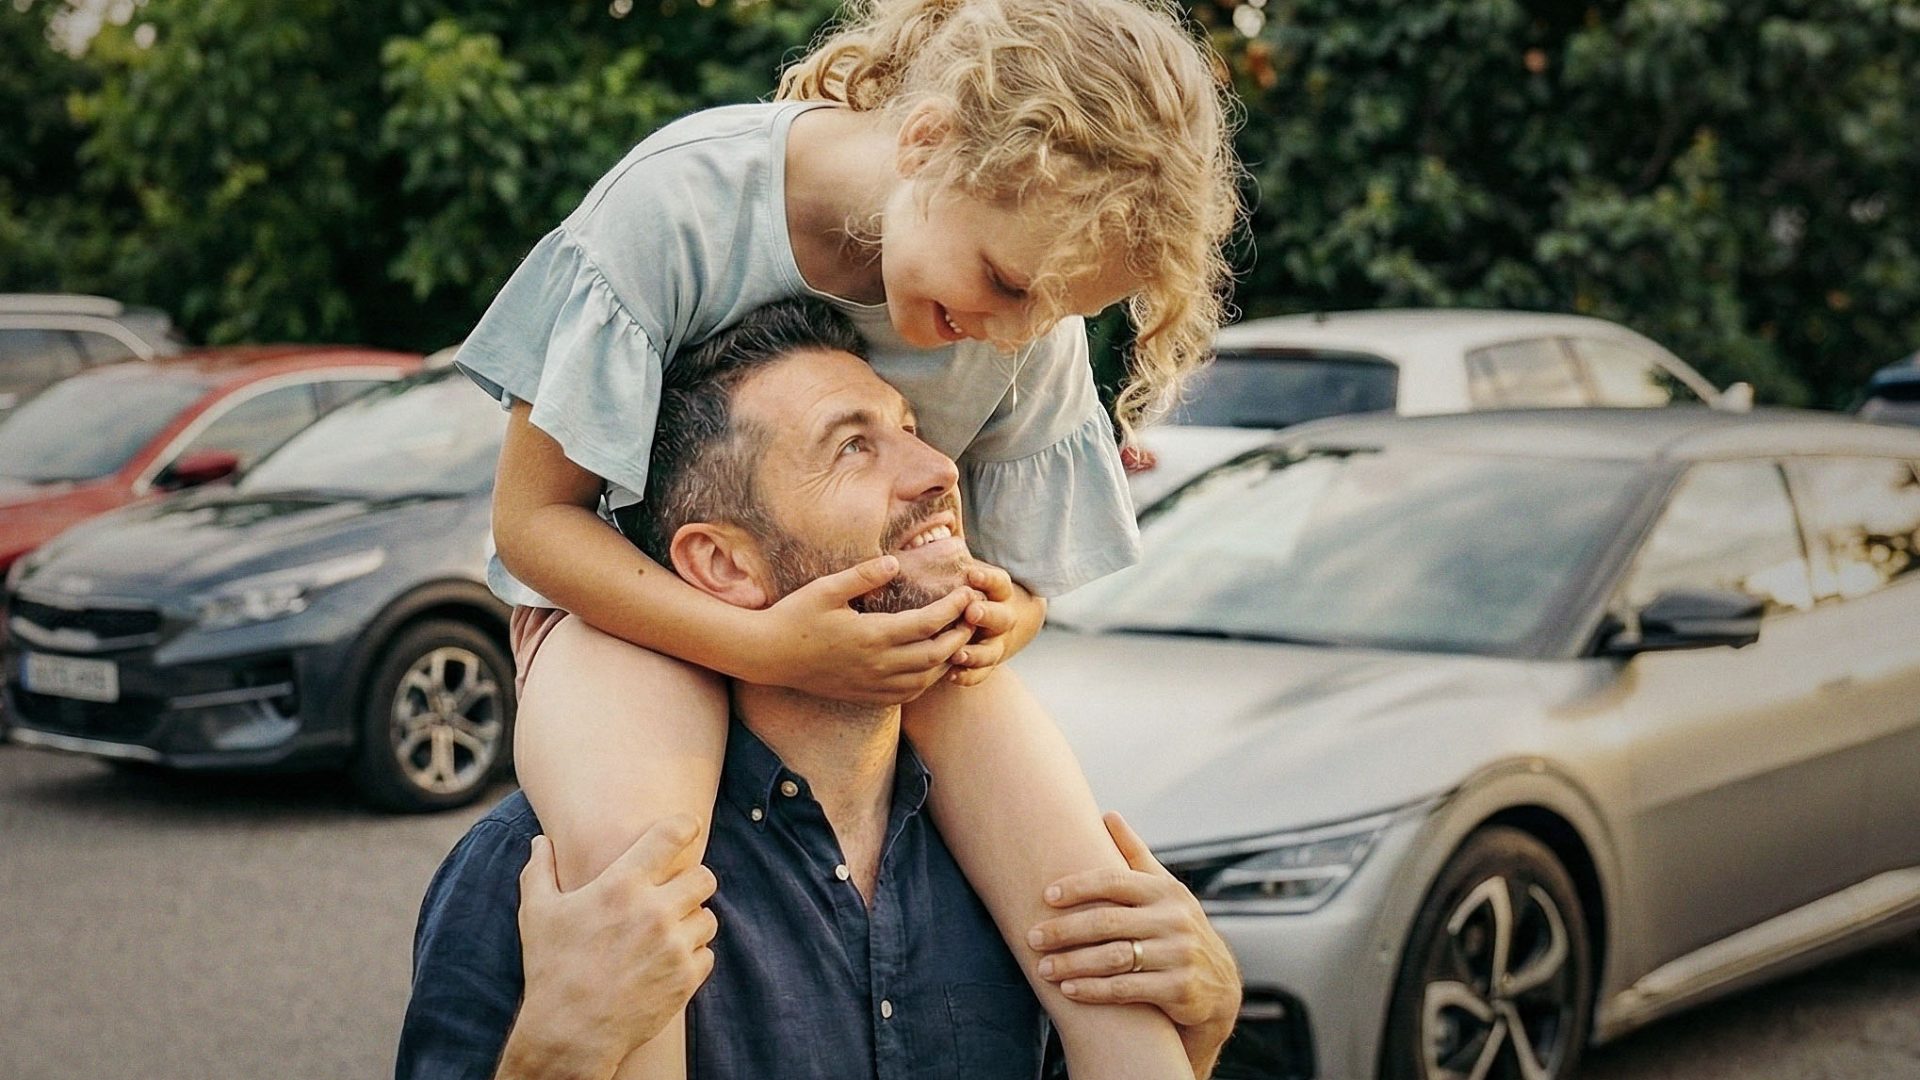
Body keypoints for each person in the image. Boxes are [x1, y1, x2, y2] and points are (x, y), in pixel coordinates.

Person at [455, 1, 1240, 1074]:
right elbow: (531, 524)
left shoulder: (1028, 306)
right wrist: (769, 649)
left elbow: (1024, 576)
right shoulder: (683, 202)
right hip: (621, 604)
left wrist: (1002, 618)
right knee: (636, 890)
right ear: (927, 141)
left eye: (1051, 312)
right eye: (1006, 285)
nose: (1015, 332)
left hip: (886, 628)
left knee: (1100, 924)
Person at [399, 301, 1242, 1080]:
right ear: (724, 565)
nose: (939, 469)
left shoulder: (1016, 852)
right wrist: (553, 1055)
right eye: (852, 447)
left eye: (909, 429)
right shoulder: (552, 878)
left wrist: (1198, 1032)